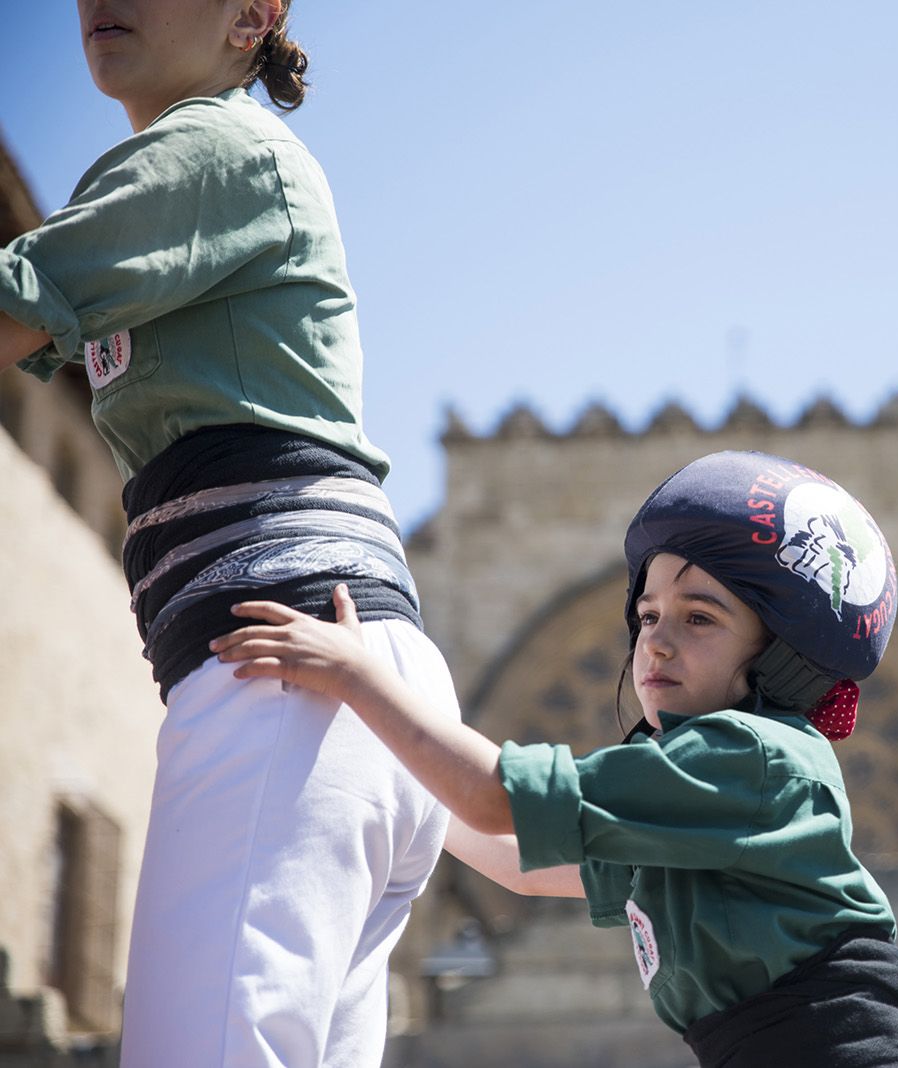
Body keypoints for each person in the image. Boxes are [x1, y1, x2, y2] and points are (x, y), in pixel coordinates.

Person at [0, 2, 498, 1063]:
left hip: (283, 675)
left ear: (251, 17)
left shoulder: (210, 144)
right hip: (343, 686)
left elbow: (15, 306)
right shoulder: (210, 165)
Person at [215, 450, 898, 1066]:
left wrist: (360, 677)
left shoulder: (750, 757)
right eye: (648, 615)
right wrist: (375, 743)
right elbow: (514, 858)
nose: (654, 641)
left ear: (783, 660)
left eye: (699, 617)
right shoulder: (694, 810)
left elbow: (494, 800)